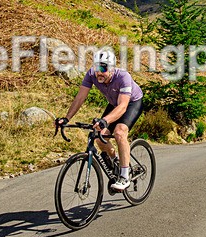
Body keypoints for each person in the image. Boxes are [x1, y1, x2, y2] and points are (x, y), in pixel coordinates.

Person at [55, 49, 144, 191]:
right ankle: (117, 161)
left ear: (112, 67)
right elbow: (80, 98)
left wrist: (106, 120)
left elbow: (122, 107)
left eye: (103, 68)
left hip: (131, 103)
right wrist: (67, 118)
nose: (99, 72)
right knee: (99, 136)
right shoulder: (91, 74)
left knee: (119, 132)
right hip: (115, 103)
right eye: (97, 67)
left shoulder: (123, 77)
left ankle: (125, 175)